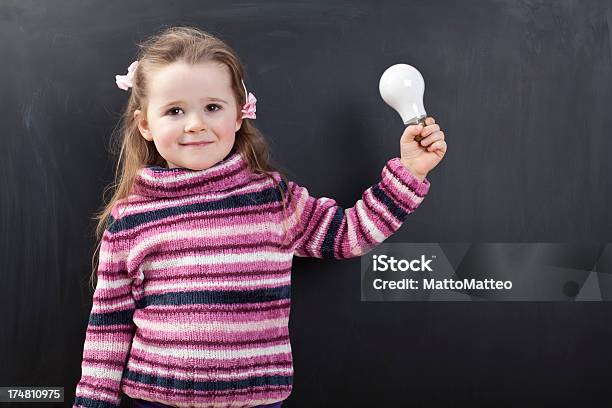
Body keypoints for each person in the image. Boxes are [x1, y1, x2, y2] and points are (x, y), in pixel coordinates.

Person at [72, 25, 447, 408]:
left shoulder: (273, 199)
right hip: (156, 401)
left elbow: (348, 234)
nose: (196, 123)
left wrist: (410, 173)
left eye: (213, 107)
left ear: (239, 114)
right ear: (146, 125)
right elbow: (108, 327)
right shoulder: (132, 220)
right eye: (174, 110)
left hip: (257, 401)